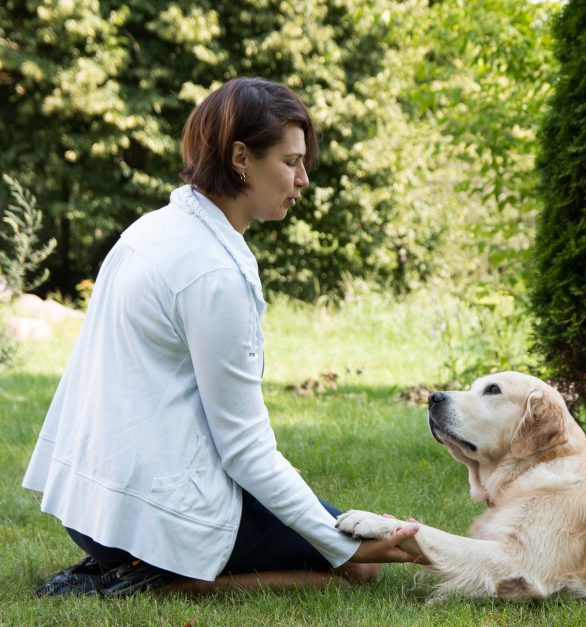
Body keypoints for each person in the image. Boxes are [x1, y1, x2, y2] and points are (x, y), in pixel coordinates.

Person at [23, 77, 421, 597]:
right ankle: (164, 583)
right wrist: (340, 543)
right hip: (145, 516)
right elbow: (244, 449)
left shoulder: (150, 229)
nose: (302, 179)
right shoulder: (215, 272)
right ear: (240, 158)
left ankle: (150, 565)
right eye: (290, 161)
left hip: (88, 502)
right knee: (358, 566)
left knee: (319, 517)